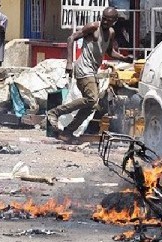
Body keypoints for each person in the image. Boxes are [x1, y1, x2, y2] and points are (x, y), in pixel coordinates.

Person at [47, 6, 132, 143]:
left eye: (108, 20)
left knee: (91, 105)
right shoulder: (93, 27)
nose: (105, 21)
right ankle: (55, 112)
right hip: (82, 69)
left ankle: (68, 132)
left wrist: (124, 58)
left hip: (92, 71)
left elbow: (109, 52)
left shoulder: (111, 33)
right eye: (103, 18)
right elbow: (71, 38)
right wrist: (69, 62)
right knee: (92, 99)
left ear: (114, 21)